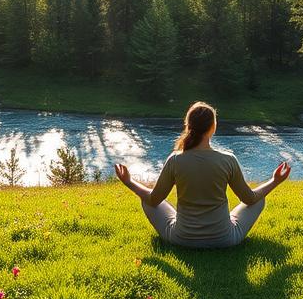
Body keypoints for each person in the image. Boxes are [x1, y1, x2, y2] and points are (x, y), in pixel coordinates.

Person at [115, 101, 291, 248]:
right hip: (225, 239)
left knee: (146, 198)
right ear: (213, 127)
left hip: (182, 239)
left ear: (188, 126)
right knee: (260, 197)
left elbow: (154, 200)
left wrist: (129, 182)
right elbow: (250, 199)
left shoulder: (175, 160)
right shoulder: (228, 160)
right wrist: (275, 181)